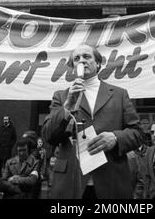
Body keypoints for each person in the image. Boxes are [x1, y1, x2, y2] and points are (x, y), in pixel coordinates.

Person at [42, 44, 142, 199]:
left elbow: (137, 133)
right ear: (73, 66)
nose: (81, 61)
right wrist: (66, 108)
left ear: (98, 63)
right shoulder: (61, 97)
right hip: (70, 182)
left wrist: (115, 138)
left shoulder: (119, 95)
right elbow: (49, 136)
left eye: (86, 57)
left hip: (111, 180)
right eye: (77, 59)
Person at [0, 115, 16, 181]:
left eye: (6, 119)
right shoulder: (0, 128)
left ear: (9, 120)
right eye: (4, 119)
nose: (5, 120)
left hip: (7, 150)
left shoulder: (12, 128)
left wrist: (10, 146)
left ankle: (6, 178)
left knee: (7, 165)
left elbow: (14, 139)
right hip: (0, 150)